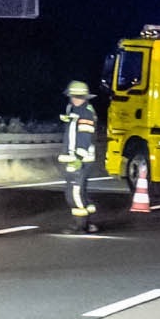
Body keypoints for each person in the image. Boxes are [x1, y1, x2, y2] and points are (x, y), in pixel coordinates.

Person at [59, 79, 100, 233]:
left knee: (73, 193)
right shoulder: (75, 110)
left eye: (78, 97)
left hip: (80, 160)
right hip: (78, 159)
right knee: (80, 191)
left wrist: (77, 158)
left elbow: (85, 137)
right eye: (73, 96)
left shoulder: (85, 112)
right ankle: (89, 223)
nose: (75, 99)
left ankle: (80, 225)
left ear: (84, 97)